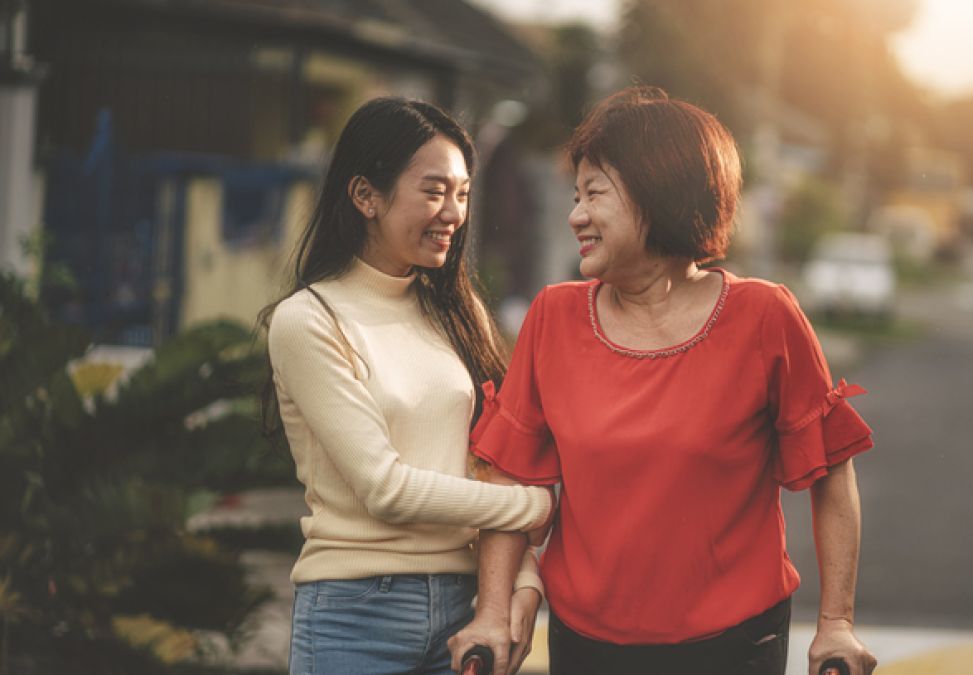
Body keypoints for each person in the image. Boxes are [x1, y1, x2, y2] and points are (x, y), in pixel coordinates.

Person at [452, 87, 878, 675]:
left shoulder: (764, 316)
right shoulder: (553, 317)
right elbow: (510, 478)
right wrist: (493, 611)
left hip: (734, 641)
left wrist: (836, 624)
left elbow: (831, 472)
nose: (576, 214)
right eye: (576, 195)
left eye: (595, 193)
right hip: (586, 643)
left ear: (660, 189)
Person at [260, 97, 553, 675]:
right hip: (354, 616)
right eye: (434, 190)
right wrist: (535, 505)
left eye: (464, 193)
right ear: (365, 195)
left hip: (461, 611)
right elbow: (385, 489)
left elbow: (485, 459)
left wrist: (522, 581)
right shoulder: (310, 320)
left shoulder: (454, 308)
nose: (454, 212)